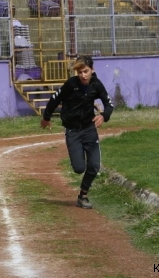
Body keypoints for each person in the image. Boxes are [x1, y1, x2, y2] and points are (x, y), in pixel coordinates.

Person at [40, 55, 113, 209]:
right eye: (79, 72)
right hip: (72, 131)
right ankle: (79, 169)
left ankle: (83, 196)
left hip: (89, 129)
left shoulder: (96, 85)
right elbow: (54, 100)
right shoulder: (71, 85)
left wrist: (103, 116)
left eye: (85, 71)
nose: (83, 75)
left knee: (94, 166)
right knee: (79, 168)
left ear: (92, 70)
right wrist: (46, 118)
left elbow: (108, 104)